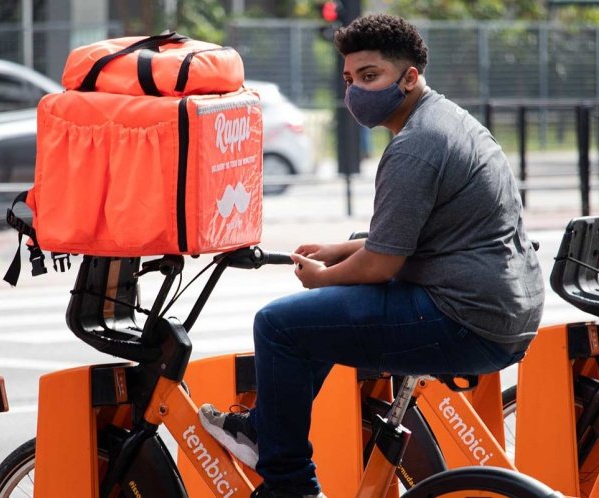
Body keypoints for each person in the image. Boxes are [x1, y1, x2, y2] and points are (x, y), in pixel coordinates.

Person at [199, 13, 544, 498]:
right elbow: (413, 238)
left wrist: (321, 277)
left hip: (465, 318)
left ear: (409, 77)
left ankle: (289, 483)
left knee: (278, 327)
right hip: (501, 311)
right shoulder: (449, 120)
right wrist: (338, 251)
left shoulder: (416, 147)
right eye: (349, 80)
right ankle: (265, 430)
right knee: (317, 320)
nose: (356, 90)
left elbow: (381, 265)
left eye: (370, 76)